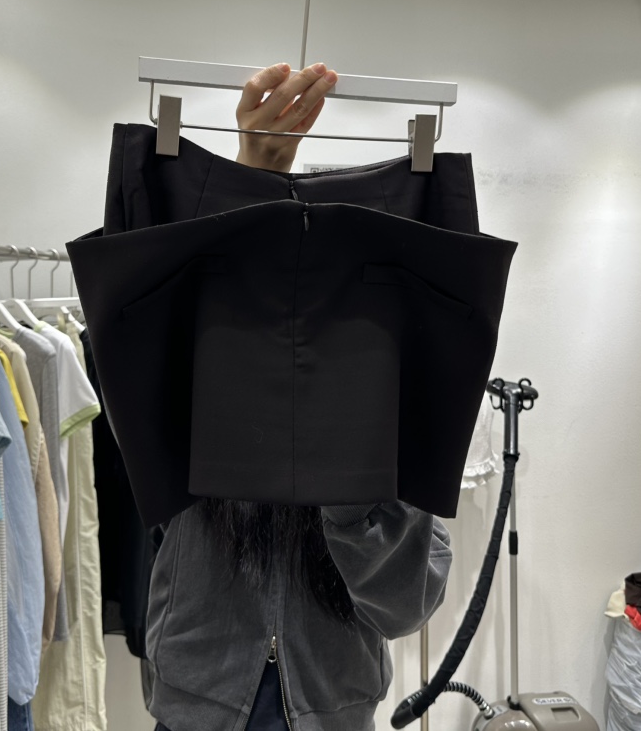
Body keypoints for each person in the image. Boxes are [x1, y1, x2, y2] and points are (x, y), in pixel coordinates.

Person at [148, 63, 453, 731]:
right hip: (197, 693)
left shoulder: (396, 379)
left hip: (332, 699)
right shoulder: (210, 351)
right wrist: (252, 173)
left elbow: (404, 608)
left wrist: (345, 473)